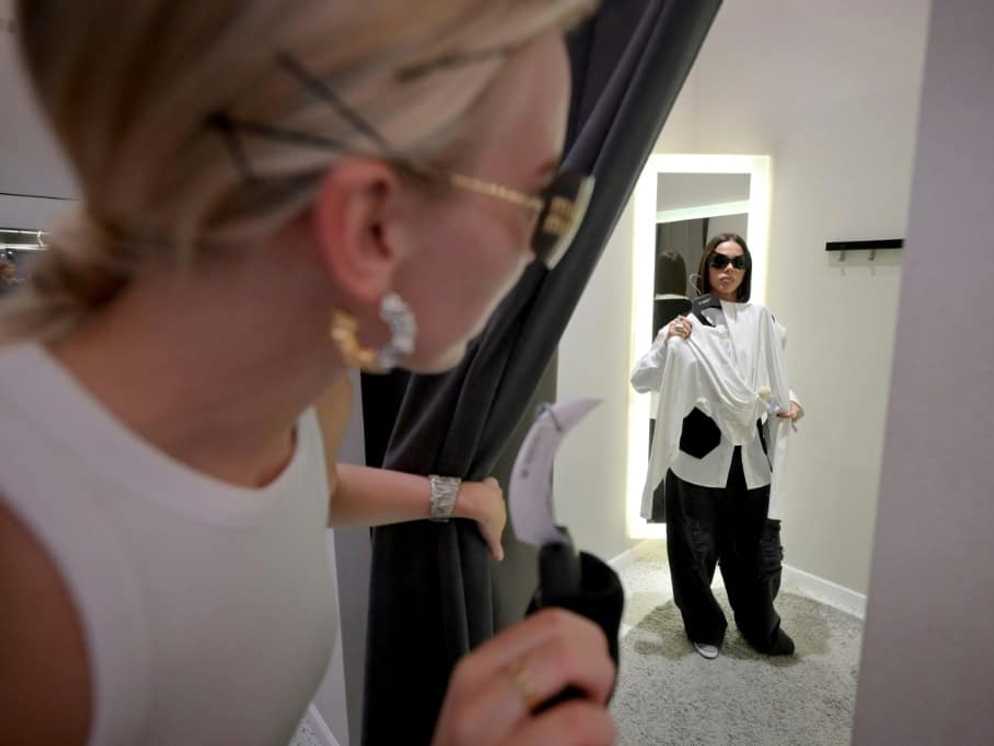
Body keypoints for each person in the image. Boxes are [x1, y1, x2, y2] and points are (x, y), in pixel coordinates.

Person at [0, 2, 617, 744]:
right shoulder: (30, 589)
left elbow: (306, 492)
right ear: (371, 227)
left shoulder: (311, 374)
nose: (538, 250)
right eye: (547, 204)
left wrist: (455, 498)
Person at [631, 233, 804, 660]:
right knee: (693, 549)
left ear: (746, 270)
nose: (728, 270)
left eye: (737, 262)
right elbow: (642, 379)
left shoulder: (764, 322)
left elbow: (774, 374)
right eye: (720, 261)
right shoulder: (685, 322)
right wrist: (668, 339)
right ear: (706, 267)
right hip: (698, 456)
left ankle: (758, 624)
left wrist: (793, 401)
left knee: (750, 552)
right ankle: (703, 625)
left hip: (749, 459)